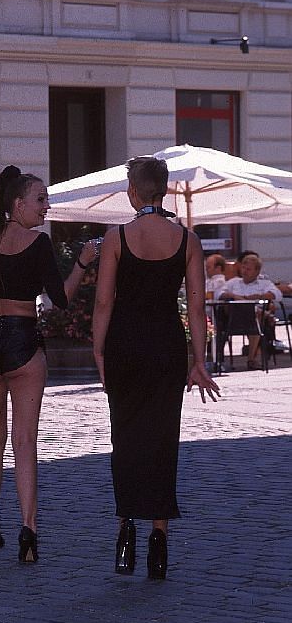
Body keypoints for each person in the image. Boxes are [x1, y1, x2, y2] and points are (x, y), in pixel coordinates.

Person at [0, 165, 97, 563]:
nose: (46, 207)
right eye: (41, 199)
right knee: (25, 442)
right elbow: (60, 299)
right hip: (22, 340)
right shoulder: (38, 242)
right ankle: (28, 528)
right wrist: (82, 262)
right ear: (19, 203)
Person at [92, 156, 220, 580]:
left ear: (132, 191)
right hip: (167, 345)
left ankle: (126, 529)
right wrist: (199, 361)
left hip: (125, 344)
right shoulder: (188, 240)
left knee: (125, 437)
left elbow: (104, 301)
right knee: (163, 438)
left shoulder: (115, 237)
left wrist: (98, 351)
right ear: (162, 190)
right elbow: (197, 305)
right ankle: (159, 539)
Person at [218, 253, 282, 369]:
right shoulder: (234, 282)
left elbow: (277, 295)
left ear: (257, 271)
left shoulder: (264, 284)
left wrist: (259, 296)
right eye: (243, 268)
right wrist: (235, 296)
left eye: (248, 269)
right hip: (234, 318)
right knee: (255, 314)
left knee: (256, 316)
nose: (244, 271)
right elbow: (219, 294)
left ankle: (251, 360)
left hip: (254, 318)